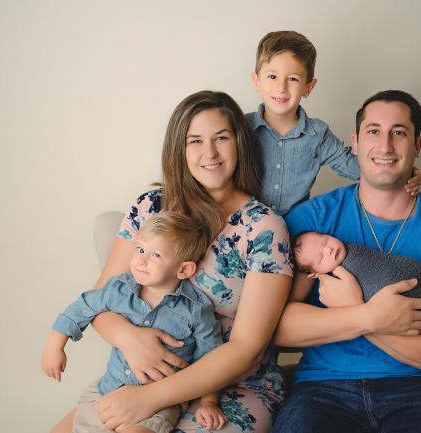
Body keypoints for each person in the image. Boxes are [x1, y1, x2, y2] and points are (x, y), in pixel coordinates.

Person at [50, 91, 293, 433]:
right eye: (195, 141)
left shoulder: (264, 229)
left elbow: (246, 348)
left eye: (221, 138)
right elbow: (100, 302)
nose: (209, 153)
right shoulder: (151, 207)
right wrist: (129, 338)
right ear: (179, 149)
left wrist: (152, 398)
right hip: (136, 377)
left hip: (226, 388)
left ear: (239, 142)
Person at [272, 90, 421, 433]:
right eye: (373, 131)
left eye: (399, 132)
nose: (385, 145)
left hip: (420, 389)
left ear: (418, 145)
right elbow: (277, 329)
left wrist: (354, 310)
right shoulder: (309, 221)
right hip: (322, 390)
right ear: (354, 142)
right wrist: (367, 315)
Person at [42, 212, 227, 433]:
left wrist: (208, 402)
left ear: (183, 269)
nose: (141, 259)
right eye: (140, 249)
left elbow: (212, 358)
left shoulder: (195, 310)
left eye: (156, 255)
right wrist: (55, 344)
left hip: (157, 406)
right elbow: (84, 306)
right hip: (108, 389)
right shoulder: (119, 289)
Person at [247, 31, 421, 215]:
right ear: (257, 81)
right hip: (244, 229)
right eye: (272, 77)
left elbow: (356, 168)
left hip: (293, 229)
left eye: (292, 79)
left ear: (308, 87)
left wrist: (405, 174)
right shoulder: (242, 127)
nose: (281, 88)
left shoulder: (317, 135)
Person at [290, 231, 421, 307]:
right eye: (321, 258)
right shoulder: (330, 288)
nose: (329, 250)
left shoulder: (355, 253)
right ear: (314, 274)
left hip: (417, 281)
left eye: (325, 240)